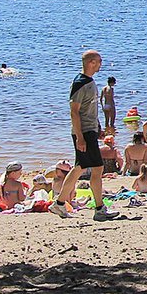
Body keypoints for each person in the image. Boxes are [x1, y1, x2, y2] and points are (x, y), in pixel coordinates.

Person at [52, 50, 118, 221]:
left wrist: (99, 129)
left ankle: (59, 204)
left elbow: (90, 110)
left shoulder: (91, 82)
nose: (101, 64)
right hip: (83, 132)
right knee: (96, 168)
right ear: (91, 62)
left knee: (81, 168)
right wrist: (80, 137)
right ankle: (99, 208)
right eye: (99, 61)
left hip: (89, 130)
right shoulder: (80, 83)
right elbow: (74, 112)